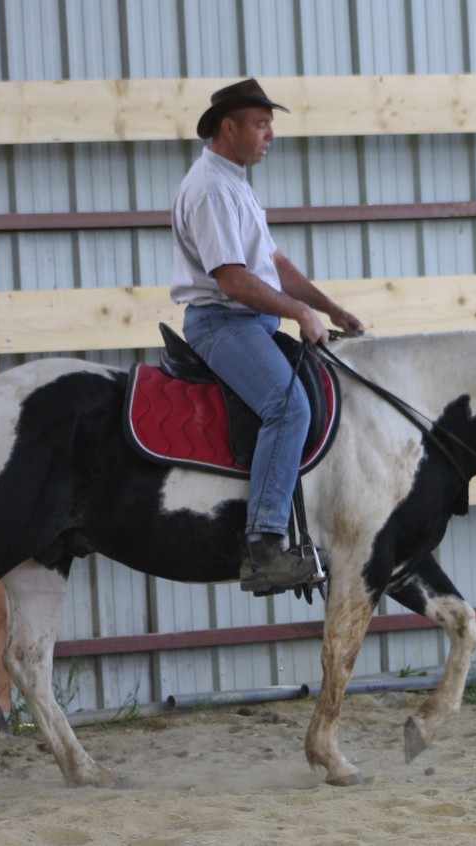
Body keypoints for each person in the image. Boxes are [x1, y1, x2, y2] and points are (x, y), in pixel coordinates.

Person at [170, 78, 365, 594]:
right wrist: (299, 311)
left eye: (269, 123)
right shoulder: (211, 188)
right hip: (222, 323)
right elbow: (232, 279)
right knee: (290, 407)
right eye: (261, 123)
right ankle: (264, 546)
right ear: (228, 127)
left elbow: (273, 264)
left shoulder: (234, 183)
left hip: (249, 321)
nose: (270, 134)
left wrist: (330, 307)